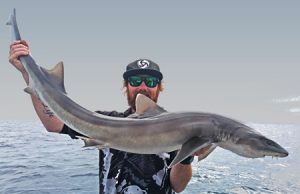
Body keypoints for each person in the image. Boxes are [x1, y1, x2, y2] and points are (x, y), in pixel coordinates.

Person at [9, 40, 210, 194]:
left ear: (159, 87)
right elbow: (54, 123)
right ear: (126, 87)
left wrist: (188, 154)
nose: (142, 86)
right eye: (134, 80)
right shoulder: (103, 122)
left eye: (150, 81)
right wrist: (28, 74)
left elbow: (178, 186)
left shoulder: (179, 128)